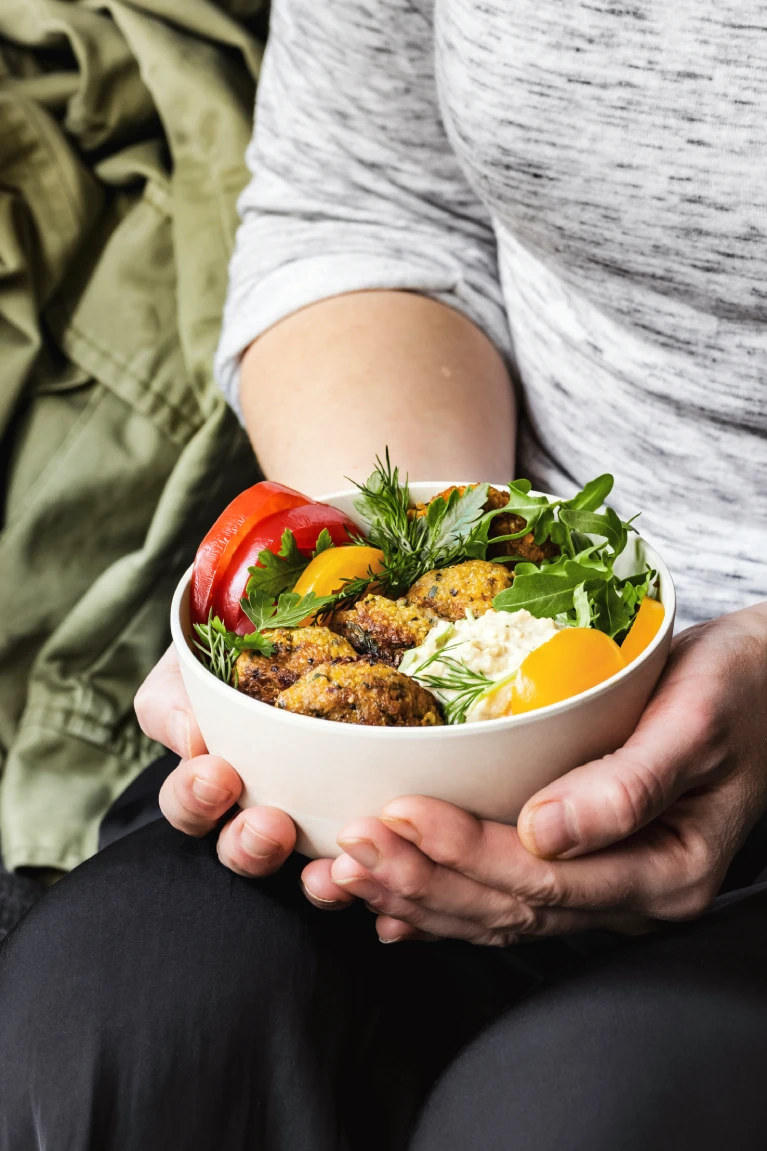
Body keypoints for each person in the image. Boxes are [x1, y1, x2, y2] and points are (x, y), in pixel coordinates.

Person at [1, 1, 767, 1147]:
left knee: (572, 1108)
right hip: (504, 632)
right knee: (120, 995)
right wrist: (370, 585)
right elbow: (366, 203)